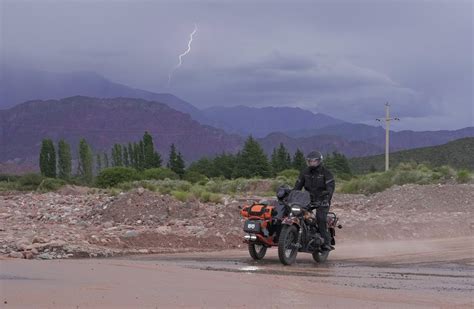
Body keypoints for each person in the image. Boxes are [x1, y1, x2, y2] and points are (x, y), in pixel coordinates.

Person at [293, 151, 335, 251]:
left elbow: (330, 188)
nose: (312, 163)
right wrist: (291, 196)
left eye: (314, 161)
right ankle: (295, 235)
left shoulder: (326, 173)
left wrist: (326, 199)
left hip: (322, 199)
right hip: (307, 199)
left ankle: (326, 242)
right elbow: (297, 187)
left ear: (319, 161)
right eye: (310, 161)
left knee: (320, 218)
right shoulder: (304, 172)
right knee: (295, 213)